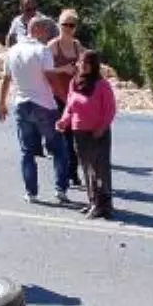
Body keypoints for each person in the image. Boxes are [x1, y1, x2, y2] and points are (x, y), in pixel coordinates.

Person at [0, 16, 71, 204]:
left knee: (27, 151)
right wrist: (65, 98)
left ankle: (31, 192)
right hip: (44, 104)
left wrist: (2, 104)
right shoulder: (42, 50)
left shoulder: (12, 51)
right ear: (37, 30)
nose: (48, 33)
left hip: (22, 103)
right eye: (45, 29)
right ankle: (60, 188)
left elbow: (6, 79)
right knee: (58, 148)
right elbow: (50, 78)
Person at [57, 50, 116, 219]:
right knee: (87, 169)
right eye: (81, 62)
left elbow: (110, 110)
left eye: (87, 63)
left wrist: (102, 127)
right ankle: (92, 202)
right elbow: (70, 106)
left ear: (94, 65)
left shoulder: (102, 85)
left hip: (98, 133)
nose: (83, 65)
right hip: (79, 132)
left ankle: (104, 205)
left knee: (100, 170)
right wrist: (63, 121)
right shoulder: (74, 83)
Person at [48, 8, 85, 189]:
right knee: (64, 137)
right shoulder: (52, 46)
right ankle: (66, 174)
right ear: (59, 25)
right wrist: (63, 69)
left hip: (74, 97)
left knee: (76, 136)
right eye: (65, 24)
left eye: (72, 25)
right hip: (57, 96)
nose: (68, 28)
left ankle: (73, 172)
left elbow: (87, 67)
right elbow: (45, 70)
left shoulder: (78, 46)